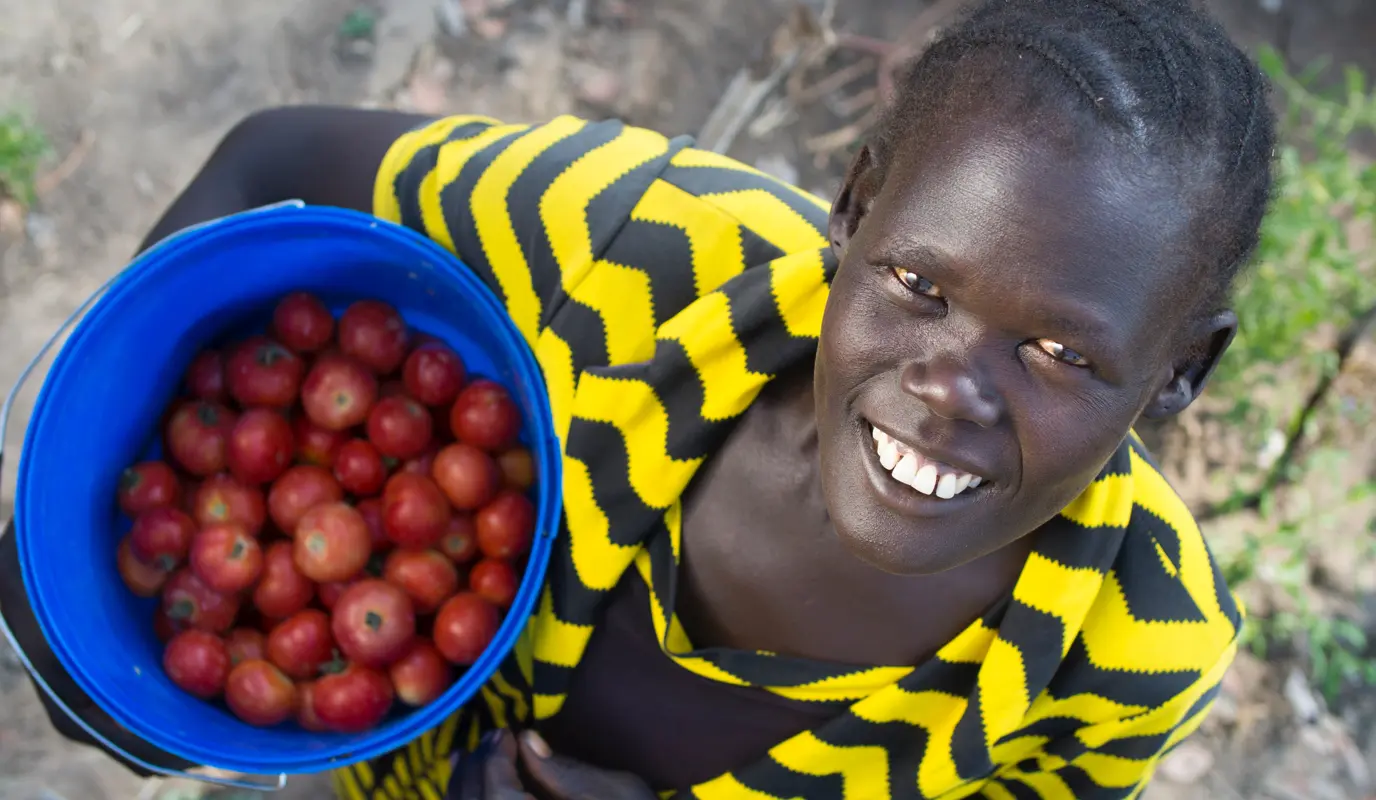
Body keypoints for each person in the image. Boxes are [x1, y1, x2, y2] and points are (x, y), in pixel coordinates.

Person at [0, 0, 1276, 797]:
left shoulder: (1127, 650)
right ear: (852, 207)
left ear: (1180, 370)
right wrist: (60, 557)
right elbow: (274, 159)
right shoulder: (641, 246)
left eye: (1061, 355)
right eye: (913, 282)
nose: (950, 390)